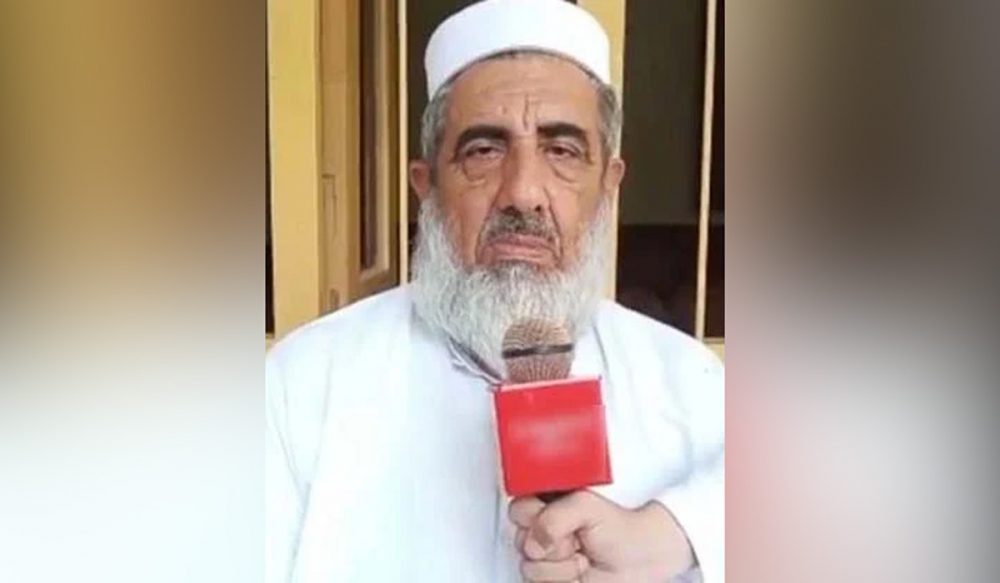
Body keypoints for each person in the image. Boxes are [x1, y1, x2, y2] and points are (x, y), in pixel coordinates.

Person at [265, 0, 724, 581]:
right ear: (427, 186)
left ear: (608, 187)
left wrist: (679, 530)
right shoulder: (304, 384)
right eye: (484, 150)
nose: (523, 193)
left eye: (562, 151)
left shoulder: (687, 382)